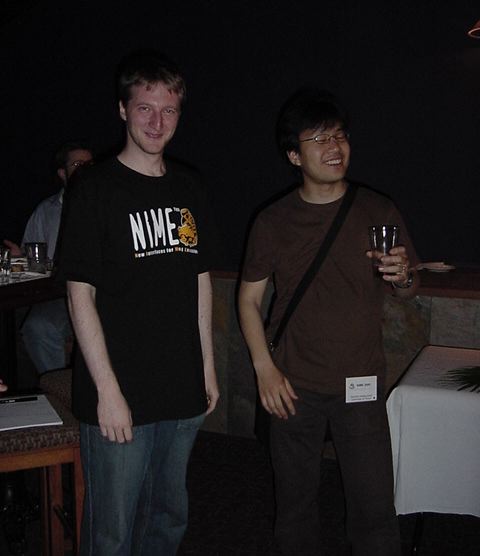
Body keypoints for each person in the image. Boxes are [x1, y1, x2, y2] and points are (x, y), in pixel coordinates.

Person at [238, 88, 419, 556]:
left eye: (339, 135)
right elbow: (249, 299)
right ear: (294, 155)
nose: (334, 146)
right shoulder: (273, 220)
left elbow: (407, 288)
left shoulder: (377, 208)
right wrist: (264, 369)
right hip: (292, 384)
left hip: (361, 382)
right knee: (295, 507)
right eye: (318, 138)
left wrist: (402, 276)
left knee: (374, 509)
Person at [58, 50, 219, 555]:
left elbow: (200, 280)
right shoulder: (94, 187)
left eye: (168, 110)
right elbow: (79, 294)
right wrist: (107, 391)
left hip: (181, 385)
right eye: (145, 108)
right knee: (111, 532)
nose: (156, 122)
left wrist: (208, 368)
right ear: (123, 109)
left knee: (168, 519)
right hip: (119, 388)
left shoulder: (190, 185)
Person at [3, 142, 93, 374]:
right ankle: (61, 389)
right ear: (62, 174)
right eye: (77, 164)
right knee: (36, 327)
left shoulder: (109, 203)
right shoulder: (46, 211)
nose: (85, 168)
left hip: (102, 294)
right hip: (59, 295)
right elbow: (34, 261)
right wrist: (20, 260)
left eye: (90, 163)